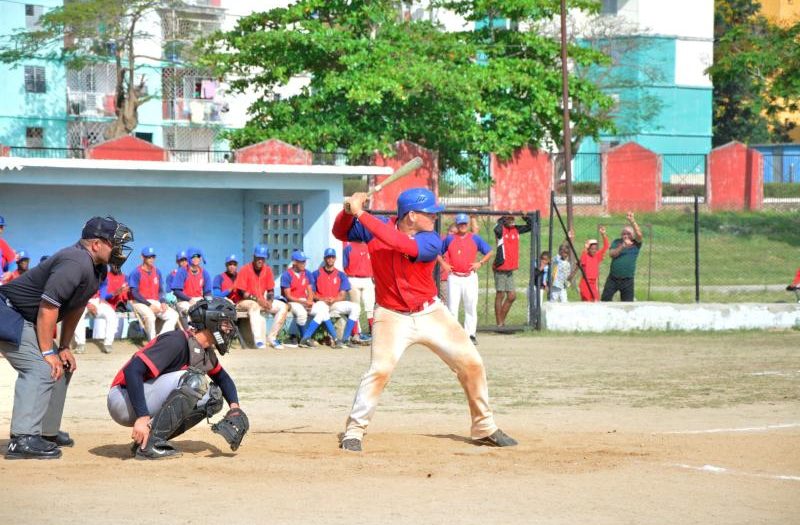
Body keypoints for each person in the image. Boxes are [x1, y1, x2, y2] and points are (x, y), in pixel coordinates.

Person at [333, 187, 517, 452]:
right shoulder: (374, 227)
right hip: (390, 314)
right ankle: (354, 431)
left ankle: (484, 427)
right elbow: (340, 232)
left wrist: (361, 213)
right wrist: (348, 211)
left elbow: (400, 244)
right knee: (380, 371)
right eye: (429, 213)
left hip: (430, 312)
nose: (435, 217)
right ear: (410, 216)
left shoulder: (431, 240)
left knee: (472, 363)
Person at [0, 216, 133, 459]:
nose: (119, 249)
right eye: (114, 243)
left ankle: (45, 432)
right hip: (7, 312)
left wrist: (62, 347)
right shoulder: (75, 261)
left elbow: (76, 307)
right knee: (41, 367)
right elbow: (48, 308)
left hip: (23, 316)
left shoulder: (97, 267)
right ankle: (22, 439)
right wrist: (48, 353)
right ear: (95, 244)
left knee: (62, 364)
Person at [106, 299, 249, 460]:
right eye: (226, 323)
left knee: (214, 398)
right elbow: (132, 371)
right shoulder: (176, 341)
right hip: (122, 397)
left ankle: (147, 442)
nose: (229, 328)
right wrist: (142, 417)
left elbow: (223, 379)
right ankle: (151, 444)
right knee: (195, 380)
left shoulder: (204, 352)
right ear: (212, 322)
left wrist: (234, 407)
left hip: (141, 397)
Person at [438, 213, 493, 345]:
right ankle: (453, 335)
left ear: (468, 225)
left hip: (470, 277)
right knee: (452, 307)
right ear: (456, 225)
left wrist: (480, 263)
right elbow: (437, 252)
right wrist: (444, 264)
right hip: (454, 277)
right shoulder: (450, 239)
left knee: (470, 306)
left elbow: (489, 251)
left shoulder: (475, 238)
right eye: (460, 224)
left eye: (465, 224)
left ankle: (470, 334)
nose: (462, 226)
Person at [233, 244, 290, 349]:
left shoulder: (267, 270)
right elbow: (241, 292)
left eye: (262, 258)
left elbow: (270, 290)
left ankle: (272, 338)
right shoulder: (245, 269)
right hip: (243, 302)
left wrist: (270, 301)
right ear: (254, 257)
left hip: (261, 301)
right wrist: (258, 300)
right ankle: (258, 340)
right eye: (258, 258)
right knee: (254, 305)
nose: (260, 260)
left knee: (283, 306)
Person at [304, 248, 361, 348]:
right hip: (321, 302)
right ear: (324, 259)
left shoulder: (341, 275)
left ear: (335, 259)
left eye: (332, 257)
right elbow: (312, 294)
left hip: (335, 303)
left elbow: (342, 295)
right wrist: (322, 299)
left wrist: (334, 299)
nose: (330, 259)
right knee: (323, 310)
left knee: (356, 307)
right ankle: (307, 338)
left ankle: (345, 339)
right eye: (328, 257)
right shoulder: (316, 274)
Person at [128, 246, 179, 341]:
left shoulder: (157, 271)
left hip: (155, 301)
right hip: (139, 302)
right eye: (148, 257)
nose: (151, 259)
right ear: (142, 257)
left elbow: (160, 290)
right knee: (150, 316)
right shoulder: (136, 272)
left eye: (153, 257)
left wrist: (163, 302)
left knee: (174, 315)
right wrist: (149, 305)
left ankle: (160, 339)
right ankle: (152, 341)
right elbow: (134, 293)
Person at [492, 214, 532, 326]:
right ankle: (499, 323)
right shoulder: (500, 230)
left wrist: (524, 216)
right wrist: (503, 218)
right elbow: (497, 228)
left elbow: (531, 225)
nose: (512, 220)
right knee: (500, 294)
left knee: (512, 296)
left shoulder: (516, 229)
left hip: (509, 268)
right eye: (509, 218)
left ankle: (500, 322)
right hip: (501, 267)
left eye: (513, 218)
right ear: (504, 220)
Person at [601, 212, 643, 302]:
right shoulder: (617, 242)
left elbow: (639, 234)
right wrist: (622, 246)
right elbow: (612, 254)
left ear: (633, 235)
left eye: (628, 234)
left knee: (627, 303)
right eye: (624, 233)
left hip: (628, 280)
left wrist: (632, 221)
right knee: (605, 299)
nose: (626, 235)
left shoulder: (636, 244)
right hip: (613, 278)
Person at [280, 250, 314, 345]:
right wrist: (304, 303)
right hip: (292, 302)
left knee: (322, 310)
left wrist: (310, 301)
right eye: (301, 261)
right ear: (294, 262)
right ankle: (305, 338)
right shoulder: (286, 275)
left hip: (305, 301)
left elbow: (310, 290)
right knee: (302, 313)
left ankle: (336, 339)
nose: (304, 263)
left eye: (304, 261)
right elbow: (288, 296)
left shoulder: (307, 273)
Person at [342, 240, 375, 338]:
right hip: (353, 278)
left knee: (370, 307)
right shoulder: (348, 247)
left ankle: (373, 332)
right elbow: (344, 265)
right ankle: (356, 333)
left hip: (368, 278)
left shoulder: (370, 246)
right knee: (355, 308)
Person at [172, 247, 212, 315]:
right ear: (189, 258)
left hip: (199, 299)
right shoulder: (182, 271)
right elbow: (176, 291)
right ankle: (188, 326)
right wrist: (189, 299)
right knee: (190, 311)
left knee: (211, 311)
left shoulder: (204, 273)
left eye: (198, 256)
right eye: (193, 257)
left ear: (201, 258)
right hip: (184, 300)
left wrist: (209, 301)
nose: (196, 259)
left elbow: (207, 292)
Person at [578, 227, 609, 302]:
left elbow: (606, 246)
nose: (594, 250)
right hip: (585, 282)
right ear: (588, 249)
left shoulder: (597, 256)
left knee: (596, 300)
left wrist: (603, 234)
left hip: (593, 283)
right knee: (587, 301)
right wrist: (585, 248)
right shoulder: (585, 255)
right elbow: (582, 260)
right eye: (592, 249)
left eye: (595, 249)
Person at [0, 215, 17, 282]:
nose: (0, 230)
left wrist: (9, 272)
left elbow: (12, 261)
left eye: (1, 227)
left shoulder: (1, 243)